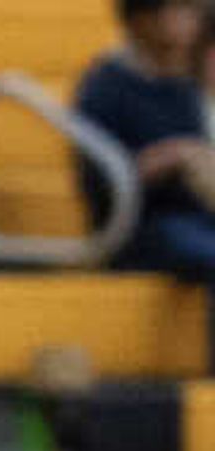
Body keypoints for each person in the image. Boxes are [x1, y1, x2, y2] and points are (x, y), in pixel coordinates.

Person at [73, 0, 215, 286]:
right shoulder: (107, 87)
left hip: (199, 217)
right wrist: (171, 158)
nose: (187, 23)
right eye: (178, 10)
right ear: (142, 20)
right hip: (142, 228)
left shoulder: (193, 82)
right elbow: (101, 183)